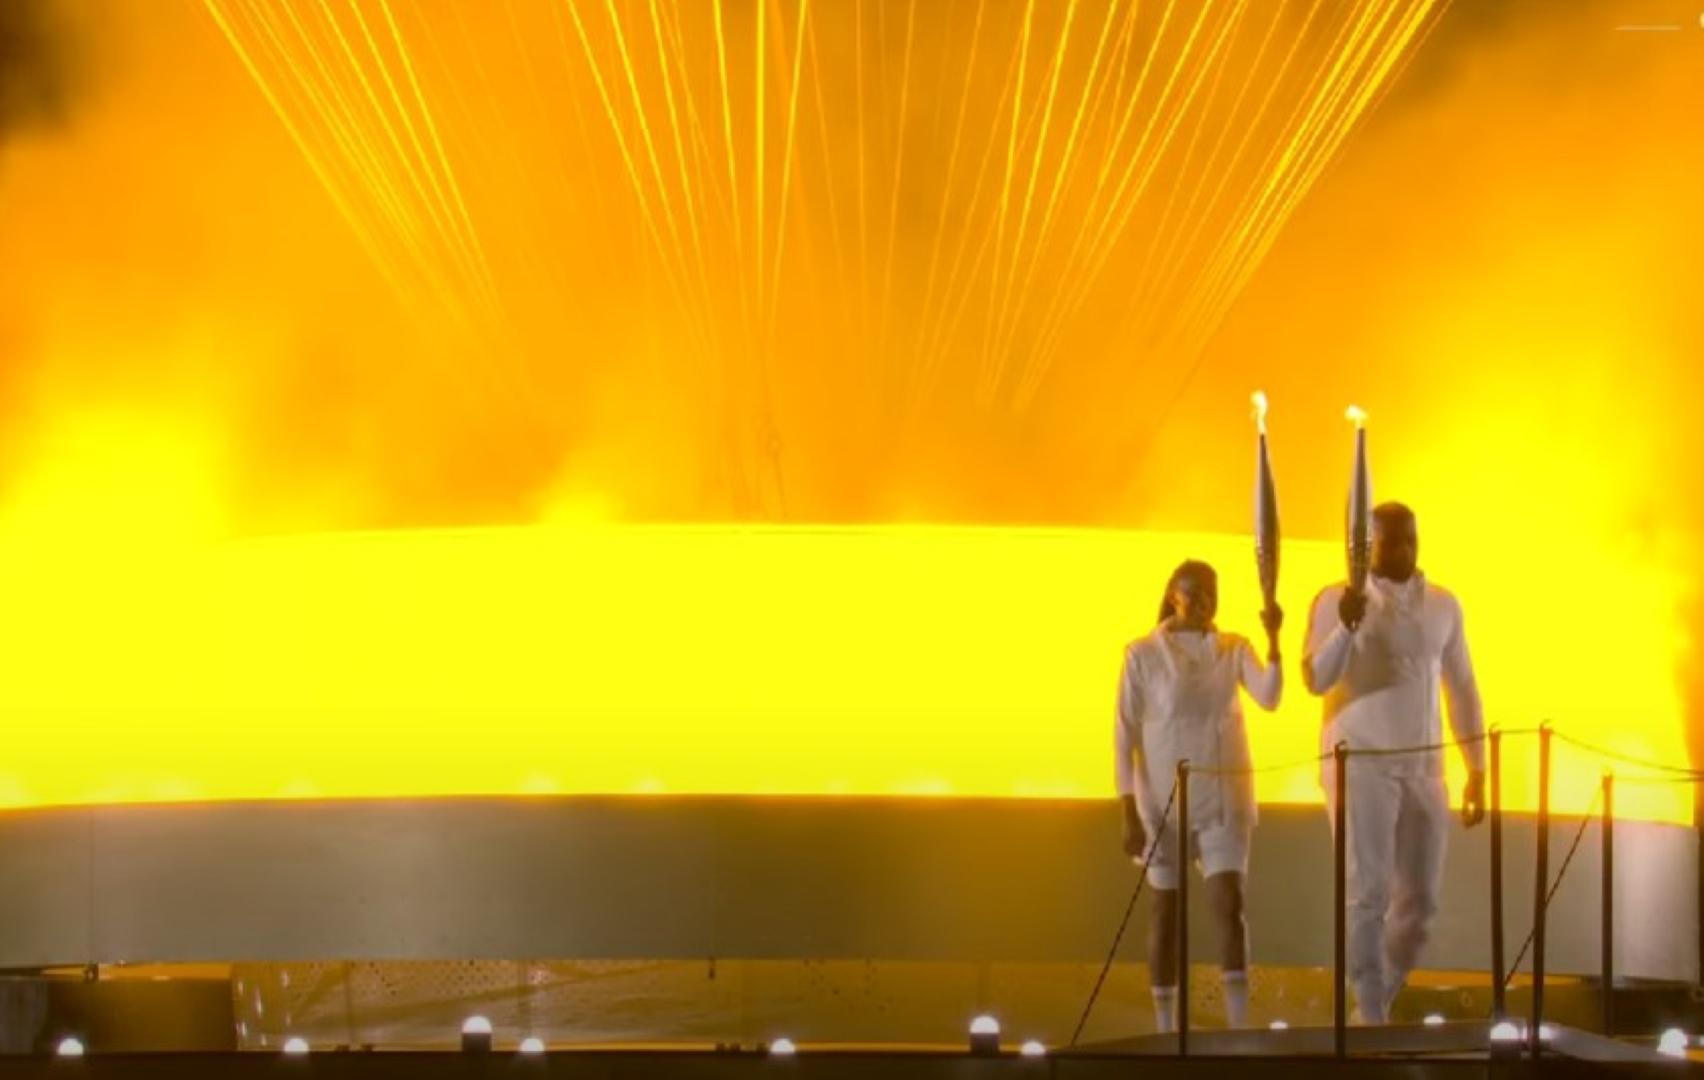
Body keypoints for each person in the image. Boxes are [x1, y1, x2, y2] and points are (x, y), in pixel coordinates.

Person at [1302, 502, 1485, 1024]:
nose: (1403, 550)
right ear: (1365, 546)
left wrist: (1476, 766)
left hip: (1425, 767)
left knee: (1422, 903)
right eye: (1390, 541)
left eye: (1410, 539)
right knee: (1369, 890)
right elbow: (1314, 678)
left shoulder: (1445, 604)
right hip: (1360, 763)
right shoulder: (1336, 598)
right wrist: (1346, 626)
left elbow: (1463, 685)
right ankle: (1370, 1009)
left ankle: (1378, 994)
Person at [1115, 560, 1283, 1032]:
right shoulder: (1142, 654)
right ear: (1173, 595)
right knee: (1165, 910)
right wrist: (1127, 807)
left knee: (1230, 903)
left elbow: (1270, 696)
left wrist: (1273, 640)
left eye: (1212, 593)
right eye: (1194, 593)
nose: (1204, 601)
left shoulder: (1234, 649)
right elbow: (1124, 735)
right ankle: (1168, 1028)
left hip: (1224, 798)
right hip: (1161, 804)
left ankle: (1237, 1026)